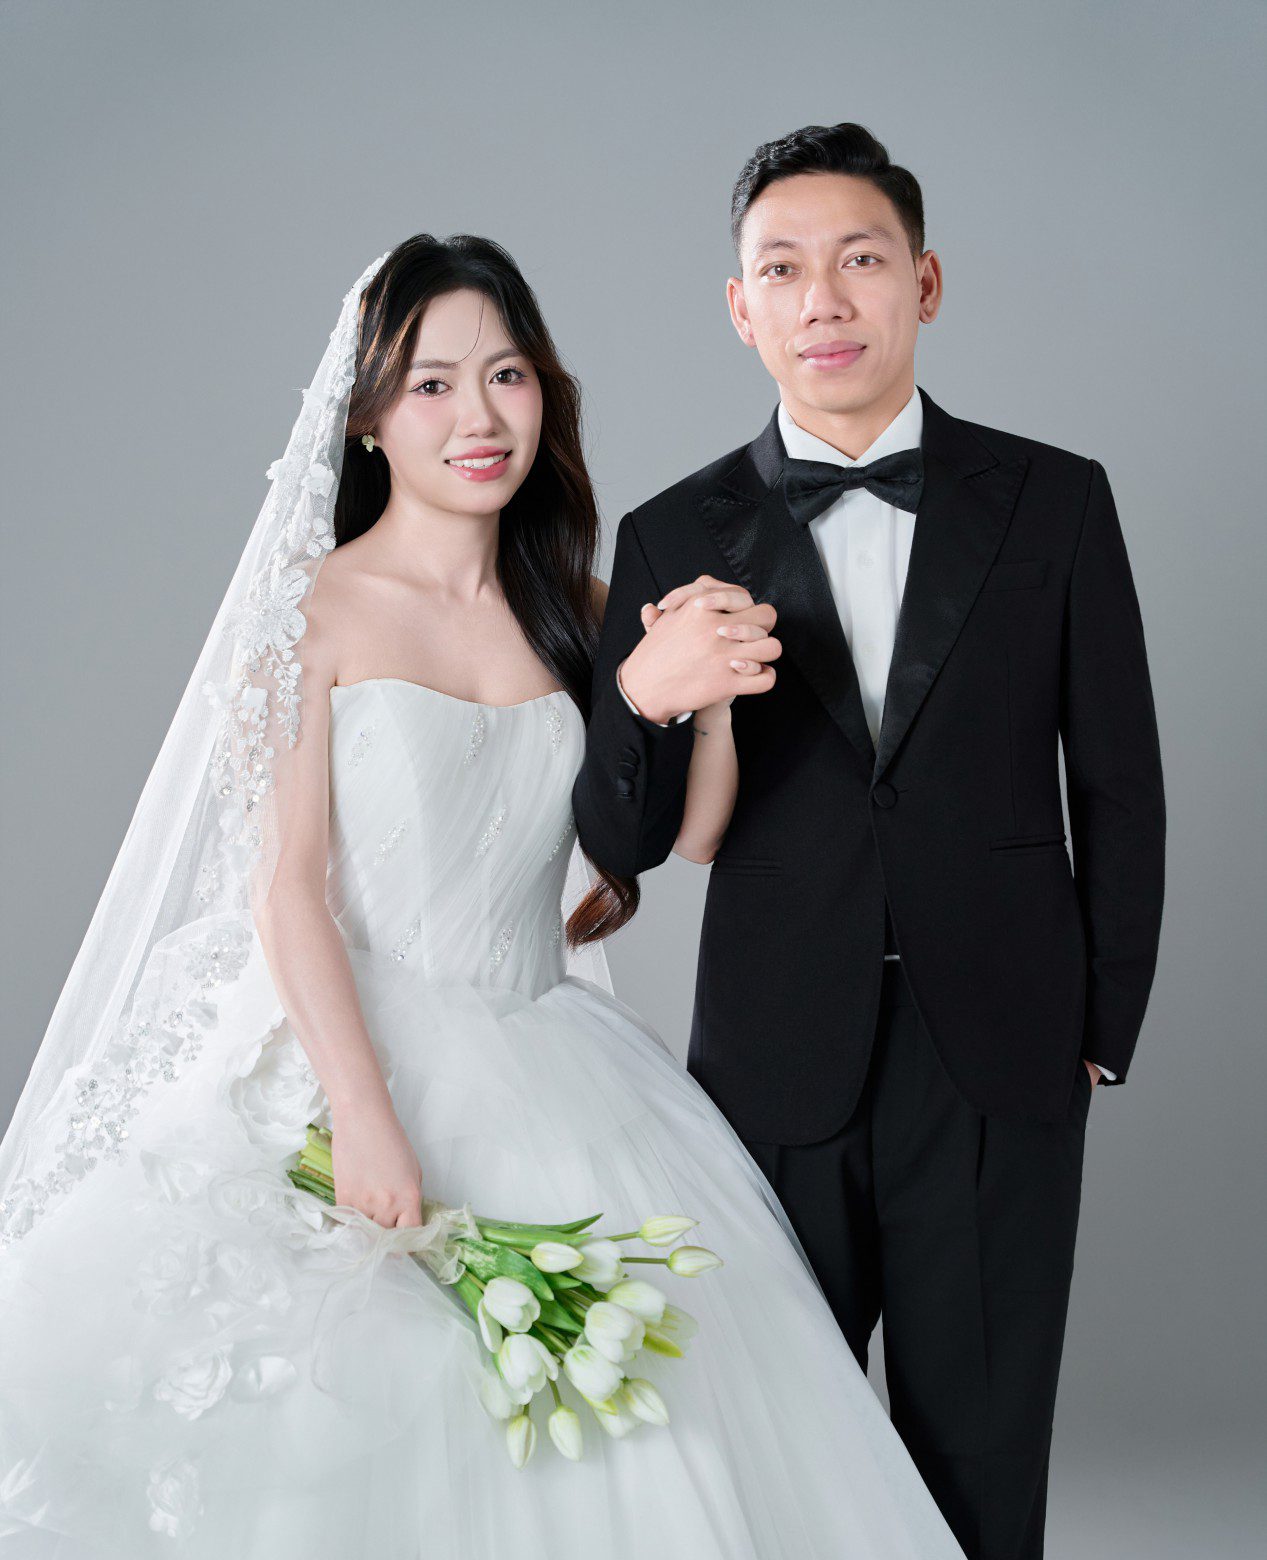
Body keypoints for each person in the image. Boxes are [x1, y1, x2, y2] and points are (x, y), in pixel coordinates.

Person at [0, 233, 966, 1558]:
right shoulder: (312, 614)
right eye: (432, 385)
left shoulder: (581, 609)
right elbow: (285, 890)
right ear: (368, 420)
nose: (480, 418)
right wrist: (363, 1112)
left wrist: (711, 698)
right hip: (343, 1049)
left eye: (506, 376)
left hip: (552, 1052)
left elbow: (688, 838)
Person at [572, 122, 1166, 1560]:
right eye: (783, 269)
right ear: (741, 308)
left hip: (1007, 1051)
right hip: (773, 1057)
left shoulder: (1055, 499)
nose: (823, 299)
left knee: (985, 1461)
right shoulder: (668, 532)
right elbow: (620, 839)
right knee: (778, 1459)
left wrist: (1101, 1024)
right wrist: (645, 698)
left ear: (926, 283)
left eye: (859, 260)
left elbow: (1122, 779)